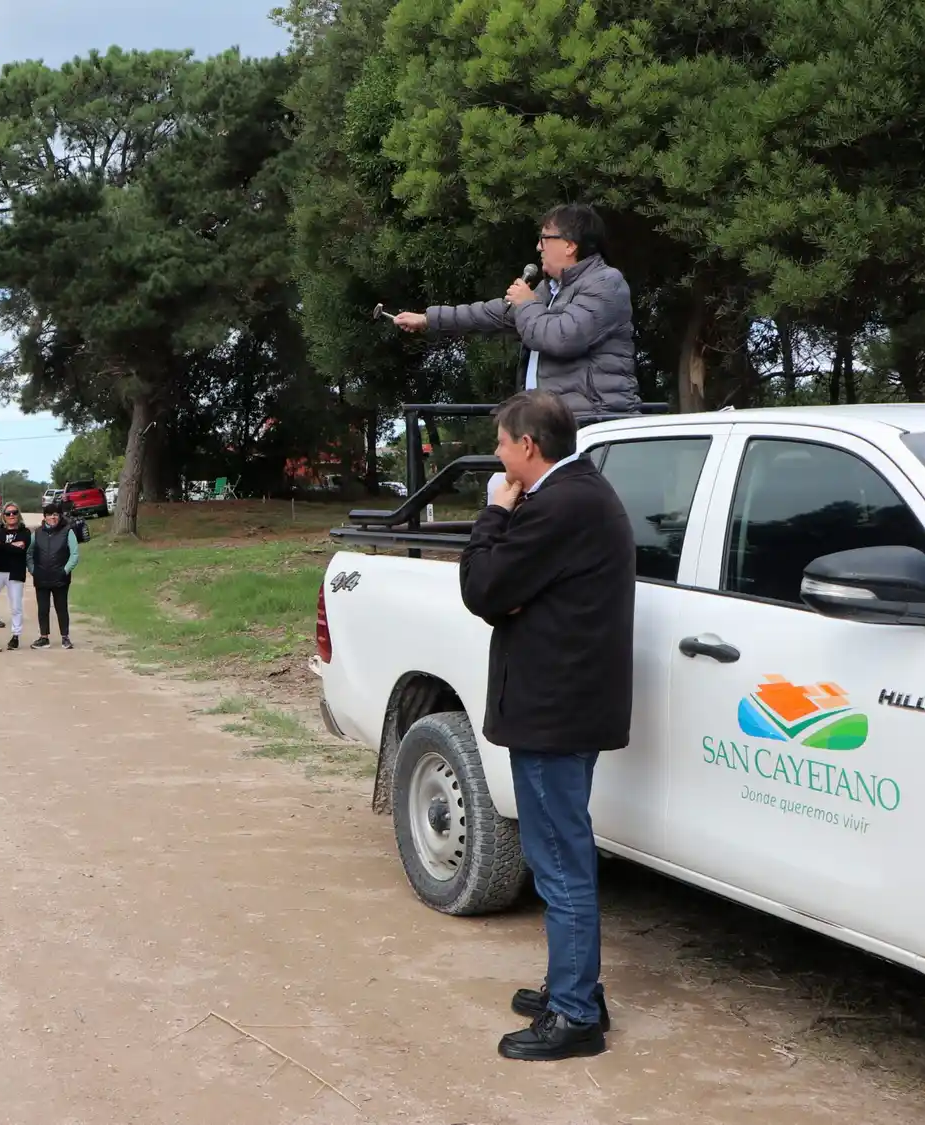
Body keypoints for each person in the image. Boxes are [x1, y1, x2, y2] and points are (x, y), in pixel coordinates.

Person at [458, 390, 635, 1062]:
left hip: (554, 712)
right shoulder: (579, 496)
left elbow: (482, 588)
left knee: (559, 860)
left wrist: (493, 514)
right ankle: (575, 983)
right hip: (566, 704)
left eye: (502, 444)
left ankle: (575, 1013)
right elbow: (509, 591)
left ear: (528, 446)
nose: (498, 458)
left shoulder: (558, 505)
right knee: (560, 852)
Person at [392, 204, 639, 419]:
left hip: (593, 424)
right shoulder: (551, 289)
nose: (538, 247)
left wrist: (527, 304)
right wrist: (428, 319)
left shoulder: (606, 283)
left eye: (544, 238)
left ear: (569, 245)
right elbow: (493, 314)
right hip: (555, 425)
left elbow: (562, 338)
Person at [28, 505, 79, 650]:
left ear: (60, 516)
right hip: (41, 576)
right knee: (42, 608)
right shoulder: (37, 533)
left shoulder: (67, 532)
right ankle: (44, 638)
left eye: (55, 514)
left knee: (61, 607)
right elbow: (28, 553)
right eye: (49, 515)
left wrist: (65, 570)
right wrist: (33, 570)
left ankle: (65, 637)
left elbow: (74, 553)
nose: (53, 517)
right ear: (44, 517)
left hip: (60, 577)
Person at [0, 503, 30, 650]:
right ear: (3, 515)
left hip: (14, 572)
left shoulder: (25, 531)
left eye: (14, 512)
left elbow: (21, 550)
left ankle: (16, 635)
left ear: (18, 514)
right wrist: (11, 546)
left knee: (16, 606)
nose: (11, 516)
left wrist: (1, 544)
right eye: (8, 513)